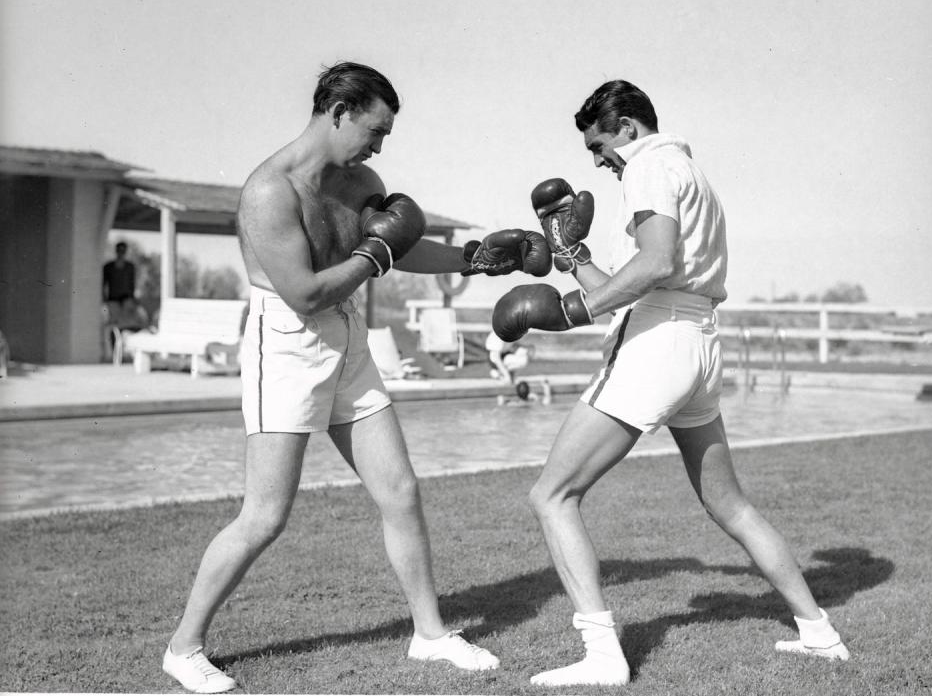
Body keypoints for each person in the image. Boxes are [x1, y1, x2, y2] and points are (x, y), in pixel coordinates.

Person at [162, 62, 550, 693]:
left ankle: (430, 635)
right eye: (374, 130)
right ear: (338, 112)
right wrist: (375, 254)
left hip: (348, 339)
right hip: (285, 342)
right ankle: (183, 648)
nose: (378, 146)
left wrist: (471, 260)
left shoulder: (361, 179)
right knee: (265, 515)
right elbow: (308, 292)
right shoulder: (270, 193)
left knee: (400, 490)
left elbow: (395, 244)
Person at [492, 80, 849, 687]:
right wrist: (572, 254)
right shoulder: (690, 171)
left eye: (600, 145)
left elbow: (654, 264)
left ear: (628, 127)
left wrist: (577, 310)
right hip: (698, 343)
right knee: (728, 503)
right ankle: (819, 632)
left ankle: (604, 657)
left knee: (551, 495)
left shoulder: (650, 167)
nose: (598, 161)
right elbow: (654, 279)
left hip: (659, 346)